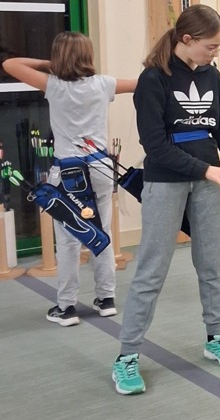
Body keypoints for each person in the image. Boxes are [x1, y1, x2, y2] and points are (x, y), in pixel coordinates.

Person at [111, 5, 220, 396]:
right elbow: (155, 146)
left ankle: (215, 338)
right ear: (186, 40)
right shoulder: (153, 79)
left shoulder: (211, 76)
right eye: (211, 46)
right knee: (151, 271)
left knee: (211, 265)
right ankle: (126, 356)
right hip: (166, 182)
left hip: (208, 182)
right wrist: (207, 170)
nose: (216, 53)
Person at [2, 34, 137, 326]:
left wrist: (48, 64)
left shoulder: (53, 85)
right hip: (101, 168)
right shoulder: (103, 84)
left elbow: (10, 64)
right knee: (101, 231)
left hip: (68, 172)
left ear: (58, 57)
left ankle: (66, 307)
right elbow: (140, 83)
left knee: (68, 240)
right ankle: (106, 300)